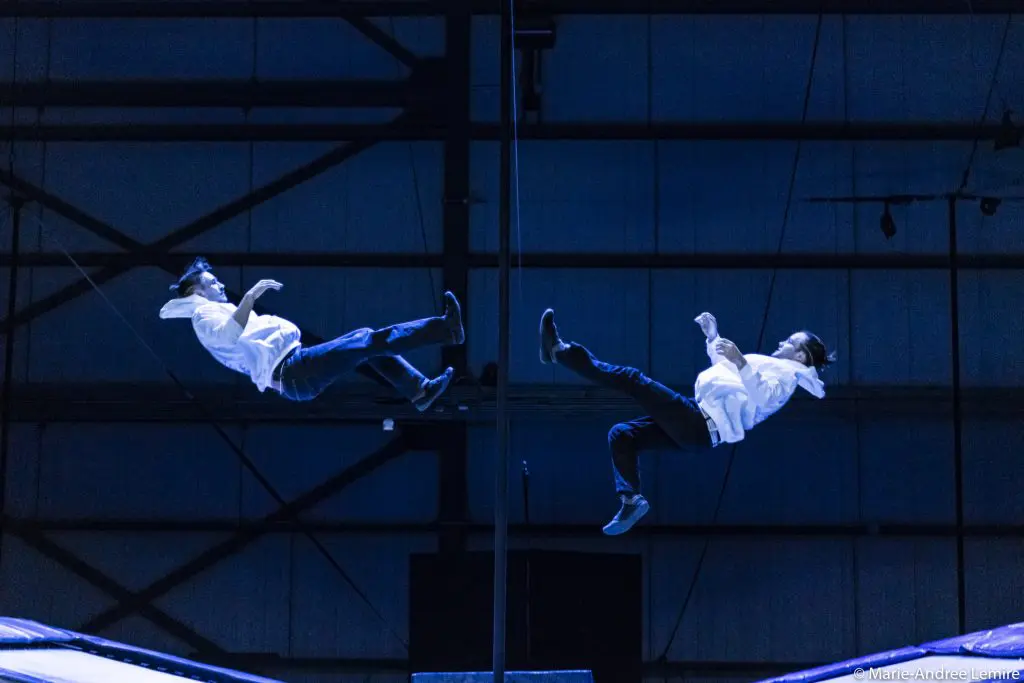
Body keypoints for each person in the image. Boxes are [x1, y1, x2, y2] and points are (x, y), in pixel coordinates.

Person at [538, 308, 835, 536]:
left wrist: (741, 359)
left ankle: (559, 352)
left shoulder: (786, 377)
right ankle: (630, 499)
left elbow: (763, 396)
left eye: (790, 341)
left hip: (700, 423)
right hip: (700, 424)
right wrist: (712, 337)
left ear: (800, 354)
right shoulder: (777, 368)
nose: (782, 342)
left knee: (631, 379)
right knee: (623, 435)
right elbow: (728, 371)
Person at [159, 257, 464, 410]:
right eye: (213, 283)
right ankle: (445, 330)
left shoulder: (213, 312)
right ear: (198, 291)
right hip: (294, 372)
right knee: (365, 342)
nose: (221, 285)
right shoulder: (203, 314)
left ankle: (420, 391)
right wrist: (249, 297)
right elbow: (227, 336)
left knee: (366, 341)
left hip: (297, 368)